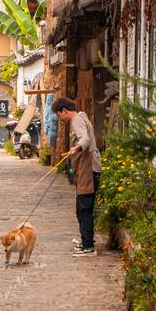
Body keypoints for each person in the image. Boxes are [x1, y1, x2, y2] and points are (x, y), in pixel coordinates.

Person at [52, 97, 101, 256]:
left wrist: (76, 148)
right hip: (89, 169)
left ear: (64, 111)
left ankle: (88, 247)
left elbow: (85, 139)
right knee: (82, 208)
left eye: (59, 116)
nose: (60, 119)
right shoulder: (81, 117)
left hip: (89, 170)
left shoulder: (76, 121)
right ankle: (86, 242)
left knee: (84, 208)